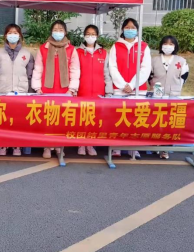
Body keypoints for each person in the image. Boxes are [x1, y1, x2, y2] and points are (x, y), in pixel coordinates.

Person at [32, 20, 81, 160]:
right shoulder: (43, 48)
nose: (58, 32)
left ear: (65, 32)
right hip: (46, 89)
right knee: (47, 118)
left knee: (61, 119)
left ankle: (60, 146)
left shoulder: (71, 49)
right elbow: (38, 68)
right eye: (55, 29)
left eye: (60, 30)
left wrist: (72, 89)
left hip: (64, 90)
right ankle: (47, 146)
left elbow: (75, 70)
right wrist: (37, 87)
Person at [0, 24, 35, 157]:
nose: (12, 35)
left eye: (15, 33)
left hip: (21, 92)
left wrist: (30, 93)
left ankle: (17, 145)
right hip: (2, 91)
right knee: (3, 120)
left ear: (20, 36)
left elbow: (30, 76)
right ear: (5, 36)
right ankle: (3, 144)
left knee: (18, 121)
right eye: (10, 33)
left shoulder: (27, 54)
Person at [109, 18, 152, 159]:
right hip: (119, 89)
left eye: (133, 27)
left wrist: (132, 85)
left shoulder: (144, 47)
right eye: (127, 27)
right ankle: (116, 147)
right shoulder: (116, 46)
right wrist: (123, 85)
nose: (130, 30)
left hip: (138, 89)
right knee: (119, 119)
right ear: (122, 29)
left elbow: (145, 68)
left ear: (137, 30)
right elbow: (112, 67)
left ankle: (133, 148)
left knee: (136, 119)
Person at [150, 35, 190, 159]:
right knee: (156, 121)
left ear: (175, 46)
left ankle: (165, 149)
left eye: (171, 44)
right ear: (161, 45)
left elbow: (184, 76)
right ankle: (155, 145)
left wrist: (177, 86)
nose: (168, 46)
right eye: (165, 44)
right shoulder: (154, 60)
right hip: (157, 94)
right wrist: (153, 85)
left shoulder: (181, 60)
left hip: (173, 95)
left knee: (169, 123)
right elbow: (149, 75)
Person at [76, 25, 113, 157]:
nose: (90, 36)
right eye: (88, 33)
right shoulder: (78, 52)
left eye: (93, 34)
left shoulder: (103, 53)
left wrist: (108, 91)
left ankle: (90, 144)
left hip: (98, 91)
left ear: (97, 36)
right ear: (84, 35)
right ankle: (81, 144)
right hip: (82, 90)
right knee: (82, 118)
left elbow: (106, 73)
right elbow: (74, 71)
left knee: (94, 119)